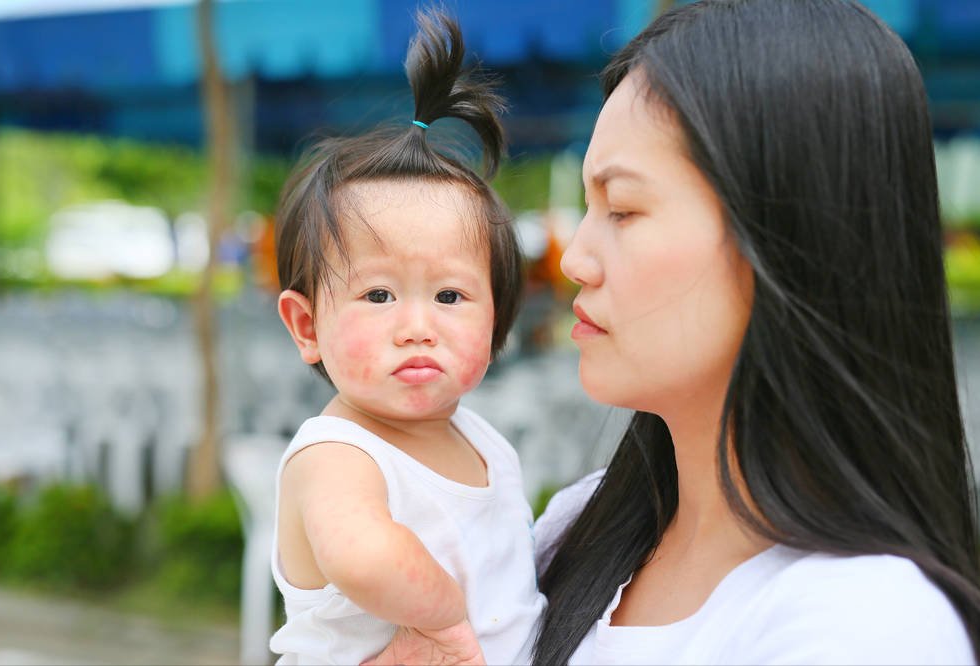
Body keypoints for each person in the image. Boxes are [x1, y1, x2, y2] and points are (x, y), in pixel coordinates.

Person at [369, 0, 980, 663]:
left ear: (785, 238)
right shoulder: (575, 529)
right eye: (588, 206)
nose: (574, 259)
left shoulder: (867, 624)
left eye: (623, 209)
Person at [268, 9, 544, 665]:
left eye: (450, 296)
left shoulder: (484, 443)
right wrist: (445, 621)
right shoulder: (337, 455)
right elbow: (362, 557)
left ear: (496, 318)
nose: (417, 327)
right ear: (307, 327)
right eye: (378, 295)